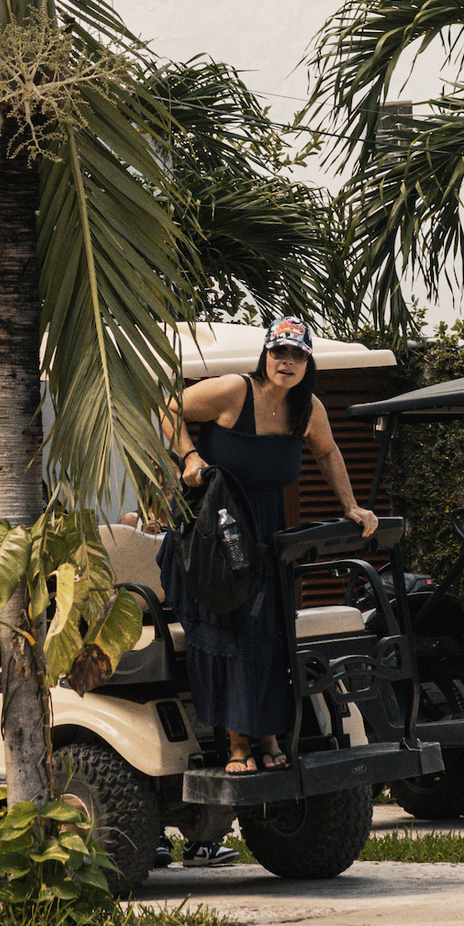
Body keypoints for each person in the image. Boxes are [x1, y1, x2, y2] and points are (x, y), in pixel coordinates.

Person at [160, 317, 377, 777]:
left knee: (271, 635)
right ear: (265, 355)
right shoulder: (233, 391)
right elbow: (167, 409)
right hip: (215, 533)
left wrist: (352, 505)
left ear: (308, 362)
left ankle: (270, 735)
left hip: (266, 532)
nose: (287, 362)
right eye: (279, 352)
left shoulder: (307, 407)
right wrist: (190, 456)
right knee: (235, 631)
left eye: (297, 355)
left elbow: (328, 451)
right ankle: (238, 743)